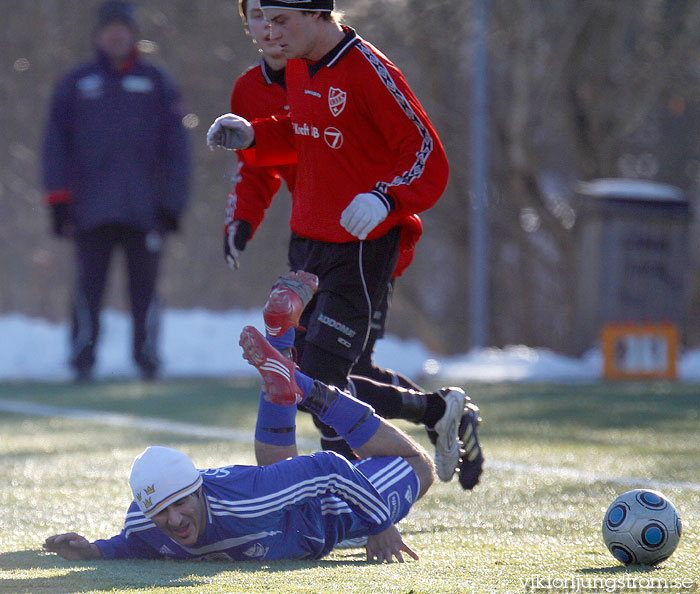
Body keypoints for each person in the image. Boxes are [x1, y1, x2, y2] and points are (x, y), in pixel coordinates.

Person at [208, 0, 478, 484]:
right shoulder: (298, 65)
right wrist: (255, 135)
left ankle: (363, 499)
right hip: (309, 243)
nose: (270, 31)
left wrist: (385, 197)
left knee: (322, 384)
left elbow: (428, 157)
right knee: (314, 381)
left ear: (317, 15)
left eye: (281, 20)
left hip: (362, 247)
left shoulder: (368, 69)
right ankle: (433, 415)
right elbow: (307, 131)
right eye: (263, 20)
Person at [43, 325, 435, 563]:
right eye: (161, 511)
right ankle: (280, 340)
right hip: (284, 510)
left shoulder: (249, 500)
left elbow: (329, 467)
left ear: (197, 489)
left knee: (420, 466)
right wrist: (93, 551)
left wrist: (381, 524)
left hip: (333, 511)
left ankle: (307, 389)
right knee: (275, 472)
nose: (174, 520)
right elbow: (130, 545)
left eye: (180, 503)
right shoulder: (145, 525)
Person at [42, 0, 191, 381]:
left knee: (145, 292)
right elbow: (55, 146)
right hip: (90, 211)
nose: (116, 34)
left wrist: (172, 204)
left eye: (122, 27)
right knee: (87, 291)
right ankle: (82, 358)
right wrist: (58, 202)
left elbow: (178, 148)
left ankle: (147, 357)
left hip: (146, 210)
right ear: (98, 34)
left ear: (133, 32)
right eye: (109, 27)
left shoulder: (158, 82)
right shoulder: (76, 84)